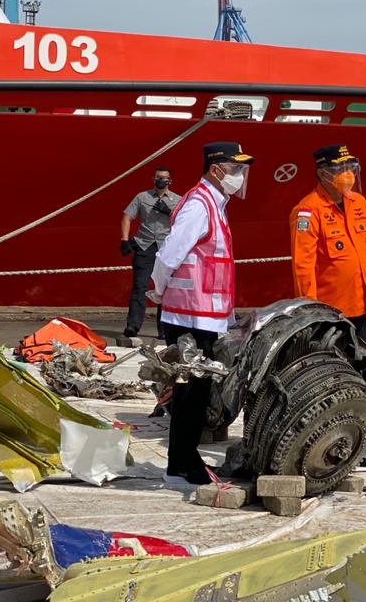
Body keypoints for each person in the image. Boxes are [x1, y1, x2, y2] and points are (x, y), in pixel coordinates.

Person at [148, 141, 254, 485]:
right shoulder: (199, 204)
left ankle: (185, 458)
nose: (239, 176)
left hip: (204, 316)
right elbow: (169, 255)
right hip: (187, 317)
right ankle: (181, 464)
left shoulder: (215, 204)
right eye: (235, 169)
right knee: (190, 392)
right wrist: (159, 290)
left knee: (198, 392)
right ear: (216, 169)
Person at [289, 143, 366, 468]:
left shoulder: (359, 203)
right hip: (330, 315)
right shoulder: (308, 211)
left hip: (359, 310)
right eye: (341, 169)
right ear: (323, 172)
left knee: (360, 375)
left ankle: (361, 440)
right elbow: (304, 266)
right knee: (331, 379)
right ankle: (328, 442)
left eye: (351, 168)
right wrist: (312, 313)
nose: (348, 176)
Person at [120, 166, 180, 338]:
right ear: (153, 179)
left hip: (167, 248)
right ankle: (133, 326)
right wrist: (124, 240)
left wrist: (170, 213)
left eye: (164, 178)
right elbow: (127, 217)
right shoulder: (142, 197)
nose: (161, 180)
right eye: (158, 177)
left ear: (170, 181)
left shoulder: (177, 200)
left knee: (166, 290)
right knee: (140, 286)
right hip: (145, 246)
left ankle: (164, 329)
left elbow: (184, 222)